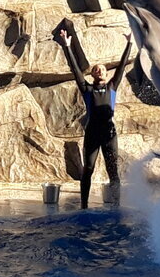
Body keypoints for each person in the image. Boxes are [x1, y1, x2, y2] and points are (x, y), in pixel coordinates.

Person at [54, 28, 135, 208]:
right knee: (88, 170)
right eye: (96, 70)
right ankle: (84, 205)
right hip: (92, 132)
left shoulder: (112, 87)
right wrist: (67, 46)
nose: (99, 71)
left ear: (106, 74)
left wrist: (129, 43)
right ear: (92, 75)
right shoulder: (87, 89)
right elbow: (75, 71)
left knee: (113, 172)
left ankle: (116, 205)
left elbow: (121, 66)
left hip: (109, 133)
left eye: (102, 69)